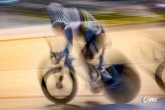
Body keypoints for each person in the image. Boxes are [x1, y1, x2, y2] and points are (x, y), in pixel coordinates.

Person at [47, 2, 116, 93]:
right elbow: (68, 45)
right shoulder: (68, 19)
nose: (58, 29)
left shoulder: (67, 27)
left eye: (58, 26)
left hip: (96, 35)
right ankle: (98, 74)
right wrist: (60, 54)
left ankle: (95, 82)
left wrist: (58, 57)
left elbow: (67, 49)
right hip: (96, 33)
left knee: (83, 57)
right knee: (84, 55)